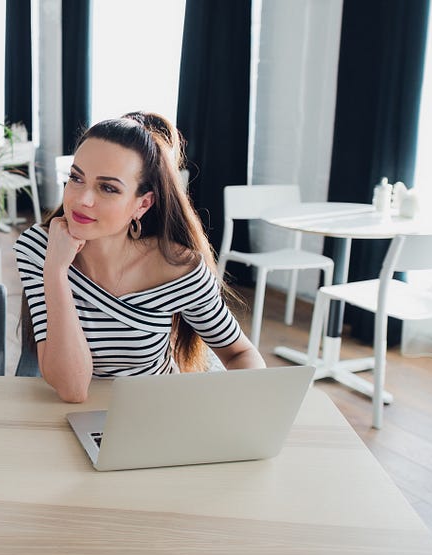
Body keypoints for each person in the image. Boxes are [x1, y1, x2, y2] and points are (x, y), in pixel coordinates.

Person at [14, 111, 265, 403]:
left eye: (108, 188)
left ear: (142, 204)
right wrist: (56, 270)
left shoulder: (178, 269)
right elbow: (72, 389)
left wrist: (248, 408)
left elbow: (239, 352)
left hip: (156, 414)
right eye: (76, 178)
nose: (83, 199)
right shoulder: (38, 249)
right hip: (67, 413)